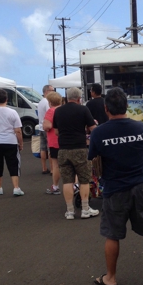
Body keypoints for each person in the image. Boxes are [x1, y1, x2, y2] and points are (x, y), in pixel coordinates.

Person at [88, 88, 143, 285]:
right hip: (140, 185)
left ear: (106, 108)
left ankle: (111, 277)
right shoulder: (140, 128)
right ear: (126, 106)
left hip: (114, 188)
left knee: (112, 234)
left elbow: (93, 159)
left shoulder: (99, 133)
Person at [52, 86, 98, 220]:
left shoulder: (58, 111)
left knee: (67, 181)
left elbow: (56, 131)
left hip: (63, 149)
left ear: (66, 97)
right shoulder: (83, 109)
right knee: (84, 180)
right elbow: (93, 128)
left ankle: (70, 211)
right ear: (79, 98)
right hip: (80, 148)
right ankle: (85, 209)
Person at [43, 91, 63, 195]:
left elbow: (47, 126)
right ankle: (75, 185)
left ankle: (55, 186)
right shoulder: (64, 110)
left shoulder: (51, 111)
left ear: (50, 102)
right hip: (66, 140)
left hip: (54, 141)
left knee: (56, 165)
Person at [38, 85, 54, 174]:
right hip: (48, 128)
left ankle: (44, 168)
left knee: (43, 148)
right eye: (52, 90)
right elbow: (50, 113)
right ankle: (52, 169)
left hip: (41, 127)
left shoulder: (40, 102)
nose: (54, 92)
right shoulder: (48, 102)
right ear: (47, 91)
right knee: (50, 148)